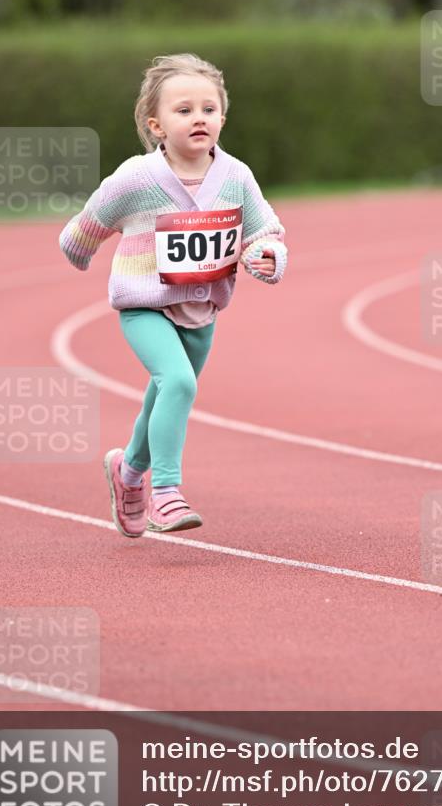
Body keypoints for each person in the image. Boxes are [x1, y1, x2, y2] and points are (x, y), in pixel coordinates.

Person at [59, 53, 287, 536]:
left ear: (223, 117)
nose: (198, 118)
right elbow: (94, 217)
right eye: (184, 110)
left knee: (162, 397)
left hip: (202, 308)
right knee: (179, 384)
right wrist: (79, 247)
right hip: (145, 306)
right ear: (156, 124)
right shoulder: (137, 178)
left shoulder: (236, 176)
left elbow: (264, 229)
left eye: (209, 108)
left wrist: (267, 255)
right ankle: (165, 492)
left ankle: (129, 474)